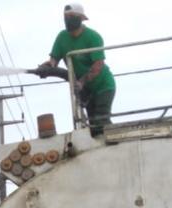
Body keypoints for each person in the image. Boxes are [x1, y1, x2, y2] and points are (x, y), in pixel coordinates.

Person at [34, 3, 116, 136]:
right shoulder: (62, 37)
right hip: (86, 90)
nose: (67, 19)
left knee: (101, 119)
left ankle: (118, 140)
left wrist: (82, 81)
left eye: (71, 16)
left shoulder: (93, 37)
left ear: (81, 18)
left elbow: (98, 65)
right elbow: (54, 60)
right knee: (93, 127)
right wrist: (46, 68)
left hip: (103, 86)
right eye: (65, 16)